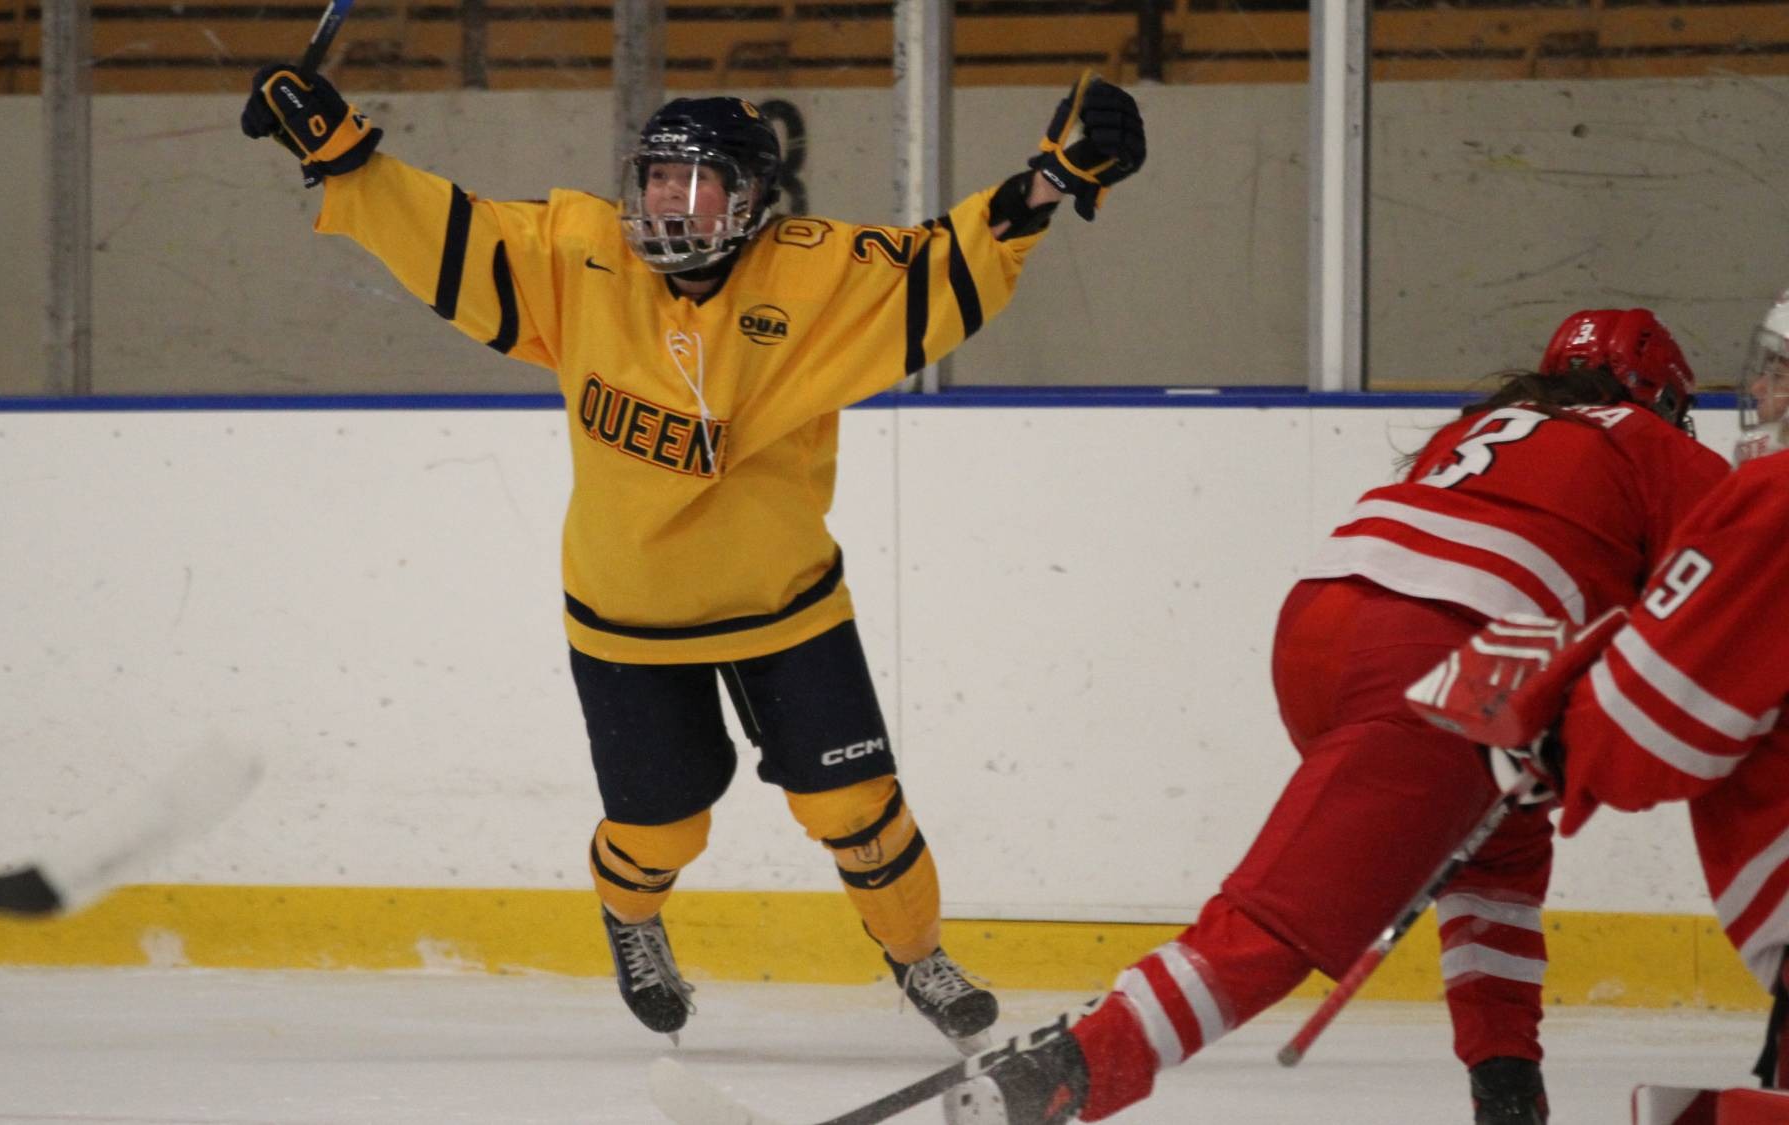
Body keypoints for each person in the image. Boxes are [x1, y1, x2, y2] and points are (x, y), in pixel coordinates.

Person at [240, 68, 1146, 1050]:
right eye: (657, 179)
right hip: (626, 613)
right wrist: (340, 153)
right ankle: (630, 922)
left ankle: (914, 952)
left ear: (751, 198)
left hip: (784, 602)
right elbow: (446, 231)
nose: (667, 200)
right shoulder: (579, 259)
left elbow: (941, 259)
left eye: (695, 181)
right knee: (661, 830)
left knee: (858, 811)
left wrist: (1051, 179)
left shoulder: (814, 274)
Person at [943, 308, 1728, 1123]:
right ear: (1660, 398)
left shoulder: (1490, 422)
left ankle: (1507, 1085)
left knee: (1500, 842)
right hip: (1450, 649)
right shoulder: (1655, 444)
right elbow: (1750, 558)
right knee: (1294, 913)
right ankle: (1067, 1070)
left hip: (1330, 625)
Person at [1408, 287, 1789, 1099]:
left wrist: (1559, 739)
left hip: (1404, 649)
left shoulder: (1469, 430)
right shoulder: (1674, 457)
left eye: (1781, 376)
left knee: (1491, 853)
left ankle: (1502, 1077)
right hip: (1500, 665)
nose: (1759, 396)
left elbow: (1655, 715)